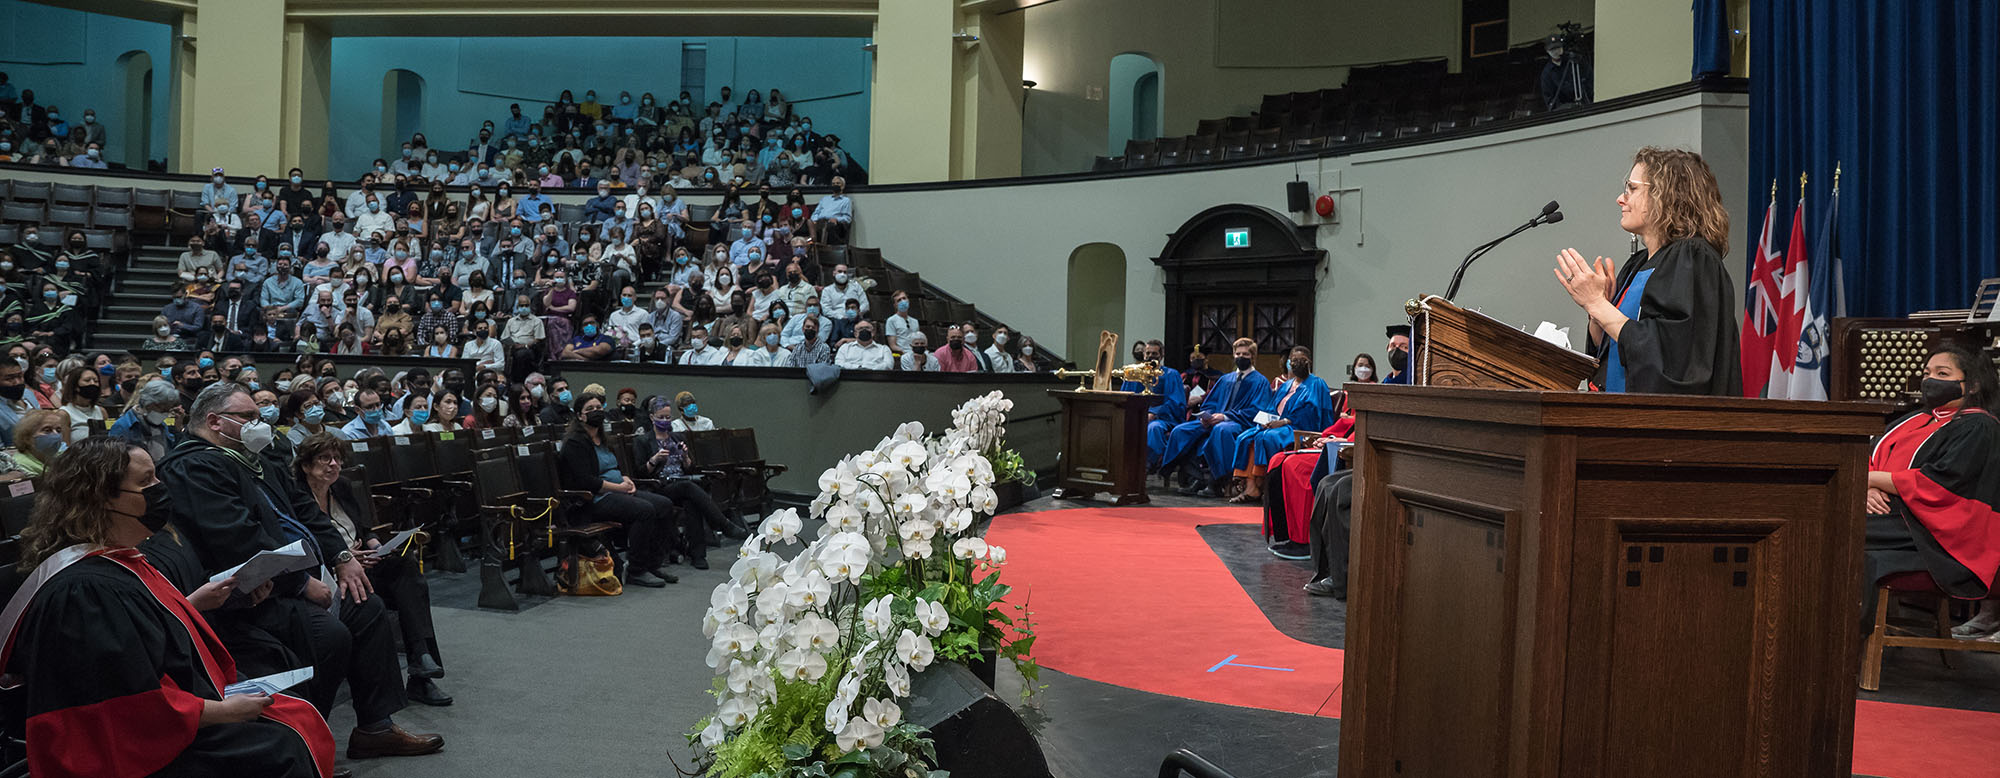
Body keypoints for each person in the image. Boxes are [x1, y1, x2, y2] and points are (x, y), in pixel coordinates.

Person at [1, 437, 337, 778]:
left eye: (156, 477)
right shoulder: (85, 589)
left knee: (289, 708)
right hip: (124, 747)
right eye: (146, 482)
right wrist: (224, 711)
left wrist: (193, 605)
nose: (160, 489)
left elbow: (141, 640)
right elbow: (128, 705)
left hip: (162, 716)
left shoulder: (121, 561)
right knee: (279, 748)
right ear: (101, 498)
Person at [157, 382, 443, 760]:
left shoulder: (258, 458)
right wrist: (300, 583)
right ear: (215, 421)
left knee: (366, 605)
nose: (260, 425)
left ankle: (375, 727)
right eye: (249, 418)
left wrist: (342, 557)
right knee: (329, 635)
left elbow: (304, 511)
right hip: (242, 592)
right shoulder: (192, 465)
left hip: (294, 573)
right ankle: (309, 739)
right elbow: (237, 538)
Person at [1552, 146, 1740, 396]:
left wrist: (1598, 304)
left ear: (1667, 195)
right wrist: (1597, 316)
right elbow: (1623, 354)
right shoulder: (1638, 264)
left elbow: (1672, 359)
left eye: (1632, 188)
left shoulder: (1693, 258)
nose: (1621, 199)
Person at [294, 433, 452, 706]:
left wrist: (377, 546)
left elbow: (364, 529)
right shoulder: (295, 495)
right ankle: (413, 672)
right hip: (328, 573)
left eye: (337, 458)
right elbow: (302, 543)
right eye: (324, 458)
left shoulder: (341, 487)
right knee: (377, 597)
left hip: (363, 563)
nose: (334, 464)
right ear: (306, 465)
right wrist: (345, 558)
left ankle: (420, 663)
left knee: (406, 568)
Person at [1861, 346, 2000, 624]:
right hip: (1897, 517)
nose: (1930, 380)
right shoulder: (1916, 419)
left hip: (1935, 531)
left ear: (1971, 384)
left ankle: (1842, 643)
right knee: (1835, 526)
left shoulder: (1979, 427)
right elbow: (1871, 454)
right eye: (1927, 373)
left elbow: (1940, 485)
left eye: (1942, 373)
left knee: (1842, 530)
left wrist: (1871, 480)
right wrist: (1867, 488)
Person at [556, 391, 682, 585]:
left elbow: (613, 467)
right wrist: (620, 487)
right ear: (580, 415)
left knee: (664, 504)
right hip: (593, 500)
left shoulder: (603, 439)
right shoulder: (575, 443)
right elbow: (586, 482)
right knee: (645, 510)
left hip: (616, 490)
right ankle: (636, 570)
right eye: (590, 409)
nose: (596, 412)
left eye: (599, 408)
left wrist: (625, 479)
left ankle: (652, 564)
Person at [1160, 338, 1273, 497]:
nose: (1241, 357)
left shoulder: (1260, 382)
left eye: (1246, 354)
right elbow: (1209, 403)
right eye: (1238, 353)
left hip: (1239, 423)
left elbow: (1257, 411)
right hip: (1214, 420)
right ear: (1233, 355)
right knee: (1180, 431)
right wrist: (1206, 416)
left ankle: (1216, 482)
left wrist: (1225, 416)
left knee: (1221, 430)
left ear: (1253, 357)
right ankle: (1196, 478)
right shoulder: (1226, 379)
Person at [1228, 346, 1333, 503]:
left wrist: (1284, 421)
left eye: (1301, 360)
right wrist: (1267, 421)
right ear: (1289, 362)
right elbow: (1271, 407)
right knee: (1247, 436)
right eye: (1294, 360)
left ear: (1309, 362)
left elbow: (1313, 413)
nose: (1297, 363)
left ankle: (1262, 482)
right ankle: (1251, 486)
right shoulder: (1286, 385)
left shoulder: (1317, 384)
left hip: (1298, 428)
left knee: (1266, 438)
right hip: (1278, 425)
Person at [1123, 340, 1187, 472]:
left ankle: (1149, 465)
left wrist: (1154, 413)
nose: (1151, 356)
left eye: (1154, 353)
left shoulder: (1171, 375)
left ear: (1161, 355)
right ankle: (1124, 466)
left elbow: (1176, 402)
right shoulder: (1134, 374)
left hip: (1163, 418)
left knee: (1154, 428)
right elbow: (1125, 397)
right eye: (1148, 353)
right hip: (1137, 416)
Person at [109, 375, 182, 463]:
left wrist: (178, 429)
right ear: (148, 403)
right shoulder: (123, 426)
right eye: (162, 409)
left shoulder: (161, 425)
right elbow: (116, 461)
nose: (164, 414)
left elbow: (174, 452)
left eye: (167, 410)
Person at [10, 409, 68, 476]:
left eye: (58, 430)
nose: (56, 434)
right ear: (27, 438)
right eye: (47, 430)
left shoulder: (61, 456)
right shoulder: (20, 465)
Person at [58, 364, 107, 440]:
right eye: (87, 380)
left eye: (96, 381)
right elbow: (65, 446)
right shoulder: (64, 414)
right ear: (75, 386)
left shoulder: (101, 411)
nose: (92, 383)